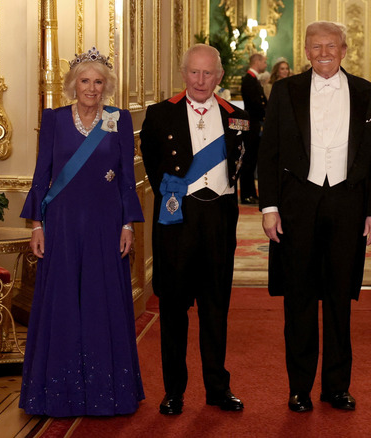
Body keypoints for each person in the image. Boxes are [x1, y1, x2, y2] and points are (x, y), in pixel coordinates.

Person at [258, 21, 371, 413]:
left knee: (338, 300)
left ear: (345, 50)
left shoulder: (369, 94)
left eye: (331, 46)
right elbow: (269, 153)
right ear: (306, 51)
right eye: (316, 47)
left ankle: (336, 386)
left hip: (348, 205)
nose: (324, 53)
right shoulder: (284, 91)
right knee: (298, 300)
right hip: (298, 203)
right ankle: (299, 388)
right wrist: (268, 207)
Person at [20, 47, 146, 417]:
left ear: (107, 87)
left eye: (99, 82)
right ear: (73, 85)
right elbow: (42, 175)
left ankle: (108, 394)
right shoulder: (55, 119)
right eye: (85, 81)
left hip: (106, 225)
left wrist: (127, 224)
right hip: (60, 224)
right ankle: (57, 395)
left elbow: (126, 177)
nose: (91, 88)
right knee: (61, 304)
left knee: (99, 301)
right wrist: (37, 225)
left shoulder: (117, 120)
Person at [140, 44, 249, 416]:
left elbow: (244, 167)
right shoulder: (159, 115)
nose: (201, 80)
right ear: (183, 73)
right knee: (173, 308)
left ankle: (218, 388)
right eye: (194, 72)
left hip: (219, 218)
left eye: (208, 74)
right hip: (177, 220)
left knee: (216, 307)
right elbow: (156, 170)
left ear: (219, 76)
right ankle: (174, 391)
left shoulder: (238, 117)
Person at [239, 53, 268, 204]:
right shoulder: (249, 80)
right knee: (248, 161)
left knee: (252, 160)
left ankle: (251, 192)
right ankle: (246, 194)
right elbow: (256, 104)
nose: (266, 64)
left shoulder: (253, 79)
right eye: (264, 61)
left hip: (256, 125)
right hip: (252, 125)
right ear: (256, 61)